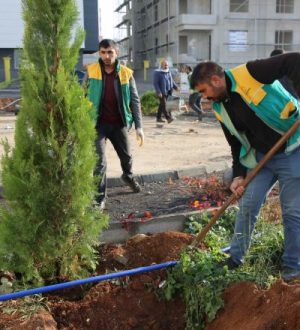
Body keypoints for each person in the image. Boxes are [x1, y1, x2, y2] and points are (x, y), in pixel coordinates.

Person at [190, 52, 300, 282]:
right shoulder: (220, 108)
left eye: (203, 91)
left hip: (292, 148)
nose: (204, 97)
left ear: (216, 80)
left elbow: (294, 61)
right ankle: (235, 259)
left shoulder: (251, 72)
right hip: (261, 158)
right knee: (248, 205)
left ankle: (293, 267)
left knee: (291, 211)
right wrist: (238, 175)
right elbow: (235, 143)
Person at [86, 39, 144, 211]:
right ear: (99, 53)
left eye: (110, 52)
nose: (106, 56)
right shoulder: (92, 72)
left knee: (126, 157)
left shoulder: (126, 73)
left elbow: (135, 101)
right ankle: (99, 198)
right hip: (98, 125)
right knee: (99, 162)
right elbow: (82, 97)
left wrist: (139, 126)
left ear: (116, 53)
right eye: (103, 52)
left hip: (119, 124)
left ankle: (128, 176)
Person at [153, 59, 179, 123]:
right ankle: (168, 118)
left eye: (167, 65)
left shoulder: (168, 72)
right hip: (162, 92)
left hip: (169, 91)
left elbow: (171, 81)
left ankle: (158, 118)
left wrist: (176, 87)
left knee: (162, 105)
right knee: (164, 105)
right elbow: (155, 83)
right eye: (165, 65)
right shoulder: (157, 73)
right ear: (161, 65)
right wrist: (158, 92)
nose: (166, 66)